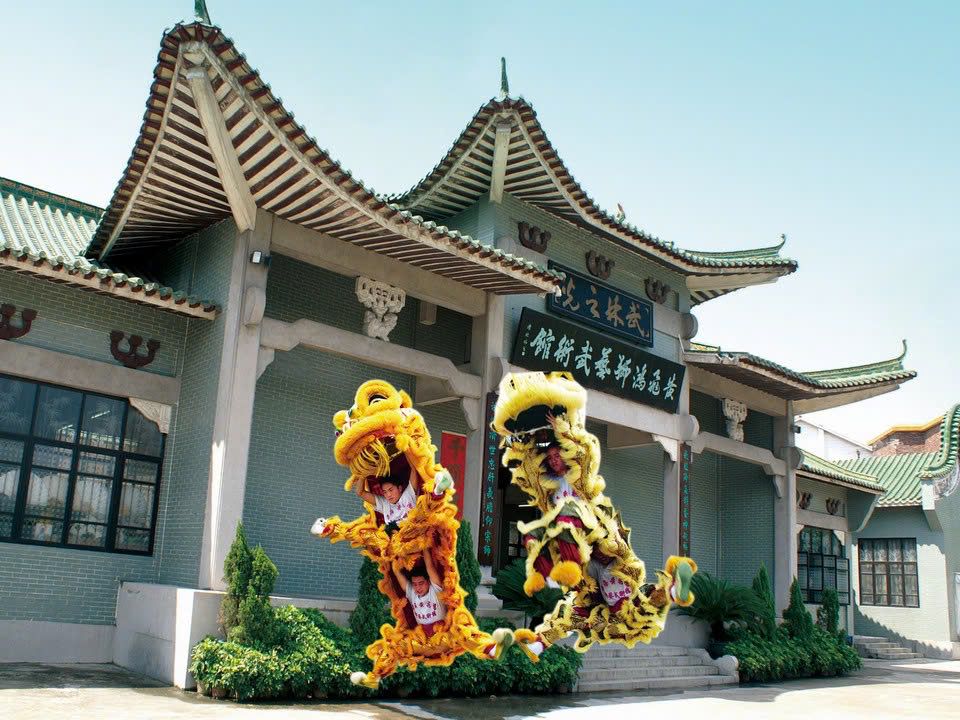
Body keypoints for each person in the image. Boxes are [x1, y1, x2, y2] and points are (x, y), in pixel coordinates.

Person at [392, 547, 447, 637]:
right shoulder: (412, 593)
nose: (418, 587)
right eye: (415, 584)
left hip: (440, 633)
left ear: (428, 582)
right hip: (421, 636)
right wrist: (392, 557)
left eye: (421, 583)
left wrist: (424, 545)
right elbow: (397, 572)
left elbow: (429, 566)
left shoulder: (435, 590)